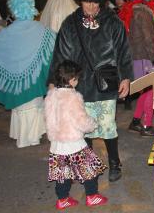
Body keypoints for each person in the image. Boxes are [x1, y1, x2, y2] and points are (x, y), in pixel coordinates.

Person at [48, 0, 133, 183]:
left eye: (96, 2)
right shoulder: (70, 23)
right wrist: (54, 82)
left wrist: (127, 78)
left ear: (102, 1)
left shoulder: (113, 22)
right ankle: (88, 166)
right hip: (79, 85)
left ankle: (114, 163)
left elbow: (123, 52)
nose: (92, 6)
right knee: (82, 128)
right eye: (87, 1)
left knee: (107, 126)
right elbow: (60, 55)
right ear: (80, 0)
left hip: (106, 83)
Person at [0, 0, 55, 148]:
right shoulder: (42, 29)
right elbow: (53, 48)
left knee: (21, 109)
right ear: (31, 8)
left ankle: (21, 135)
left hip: (15, 82)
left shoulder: (7, 32)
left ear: (14, 11)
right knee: (35, 106)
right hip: (34, 78)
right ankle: (32, 136)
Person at [45, 60, 108, 209]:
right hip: (74, 142)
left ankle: (62, 199)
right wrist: (93, 124)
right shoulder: (73, 97)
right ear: (72, 79)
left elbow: (48, 117)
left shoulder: (51, 95)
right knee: (89, 169)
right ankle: (92, 196)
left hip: (57, 143)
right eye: (77, 78)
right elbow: (81, 121)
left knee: (62, 174)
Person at [119, 0, 154, 136]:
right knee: (150, 90)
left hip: (136, 56)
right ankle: (146, 125)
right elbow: (148, 37)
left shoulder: (133, 9)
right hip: (145, 56)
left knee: (145, 90)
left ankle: (136, 121)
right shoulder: (143, 11)